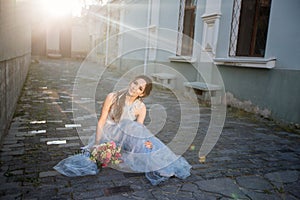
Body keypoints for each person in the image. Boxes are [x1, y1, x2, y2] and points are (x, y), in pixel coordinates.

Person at [54, 75, 192, 185]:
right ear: (130, 82)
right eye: (135, 83)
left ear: (142, 94)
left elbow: (139, 130)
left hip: (127, 135)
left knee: (146, 141)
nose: (135, 88)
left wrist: (146, 142)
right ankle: (156, 163)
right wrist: (97, 143)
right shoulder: (113, 97)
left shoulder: (141, 107)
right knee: (128, 126)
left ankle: (160, 165)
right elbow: (102, 120)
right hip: (110, 133)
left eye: (140, 88)